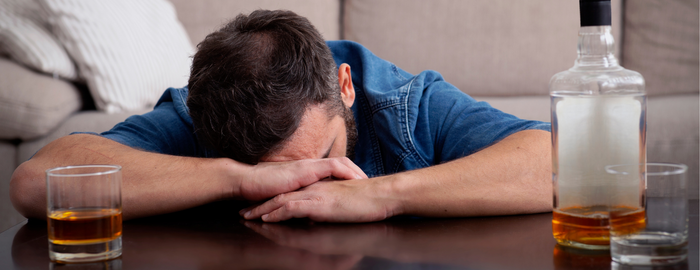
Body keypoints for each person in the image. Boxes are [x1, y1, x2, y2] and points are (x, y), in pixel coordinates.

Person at [10, 10, 552, 223]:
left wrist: (380, 194)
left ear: (345, 86)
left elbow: (567, 160)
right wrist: (237, 178)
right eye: (276, 173)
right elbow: (38, 180)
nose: (305, 185)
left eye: (322, 158)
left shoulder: (403, 102)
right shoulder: (198, 113)